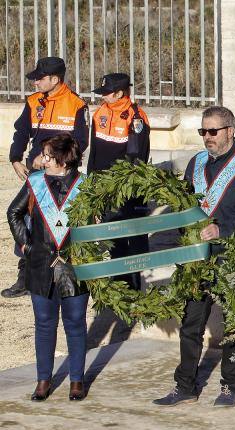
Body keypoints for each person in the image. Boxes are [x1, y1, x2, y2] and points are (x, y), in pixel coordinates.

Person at [153, 106, 235, 407]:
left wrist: (223, 230)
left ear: (230, 131)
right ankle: (186, 386)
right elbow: (187, 206)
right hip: (199, 260)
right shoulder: (196, 163)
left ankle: (231, 386)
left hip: (234, 259)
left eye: (212, 131)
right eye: (202, 131)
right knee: (191, 322)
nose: (207, 137)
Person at [7, 134, 90, 401]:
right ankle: (43, 380)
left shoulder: (85, 185)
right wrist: (27, 246)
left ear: (62, 159)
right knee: (44, 324)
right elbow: (14, 213)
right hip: (40, 264)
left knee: (75, 323)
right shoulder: (35, 183)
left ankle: (76, 380)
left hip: (74, 265)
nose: (42, 159)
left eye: (46, 155)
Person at [5, 57, 88, 298]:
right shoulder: (33, 102)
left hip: (62, 175)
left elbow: (81, 143)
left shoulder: (76, 104)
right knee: (29, 222)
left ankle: (64, 274)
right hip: (37, 172)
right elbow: (21, 132)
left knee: (58, 225)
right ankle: (25, 277)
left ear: (55, 79)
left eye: (40, 78)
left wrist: (52, 158)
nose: (35, 82)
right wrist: (15, 158)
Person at [87, 73, 151, 291]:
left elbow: (136, 158)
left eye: (106, 93)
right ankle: (119, 283)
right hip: (103, 187)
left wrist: (120, 189)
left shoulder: (136, 118)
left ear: (120, 93)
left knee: (131, 238)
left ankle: (134, 287)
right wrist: (91, 183)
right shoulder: (100, 114)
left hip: (125, 189)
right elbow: (94, 153)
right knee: (112, 238)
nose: (102, 97)